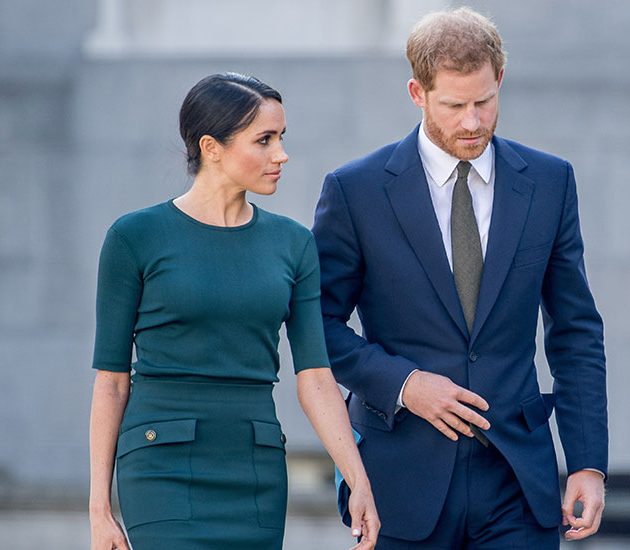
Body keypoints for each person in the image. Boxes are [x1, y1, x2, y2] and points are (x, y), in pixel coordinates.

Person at [312, 7, 607, 549]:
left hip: (518, 480)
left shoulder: (550, 181)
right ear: (417, 93)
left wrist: (588, 462)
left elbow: (576, 329)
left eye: (484, 101)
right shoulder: (355, 191)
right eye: (454, 106)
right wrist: (404, 385)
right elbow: (318, 324)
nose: (472, 122)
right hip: (400, 481)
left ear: (500, 80)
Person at [88, 72, 379, 550]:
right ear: (211, 147)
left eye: (281, 138)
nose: (280, 154)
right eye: (264, 140)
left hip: (255, 464)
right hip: (161, 464)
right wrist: (100, 510)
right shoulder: (134, 238)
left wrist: (357, 480)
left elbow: (316, 378)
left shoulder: (294, 244)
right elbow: (112, 381)